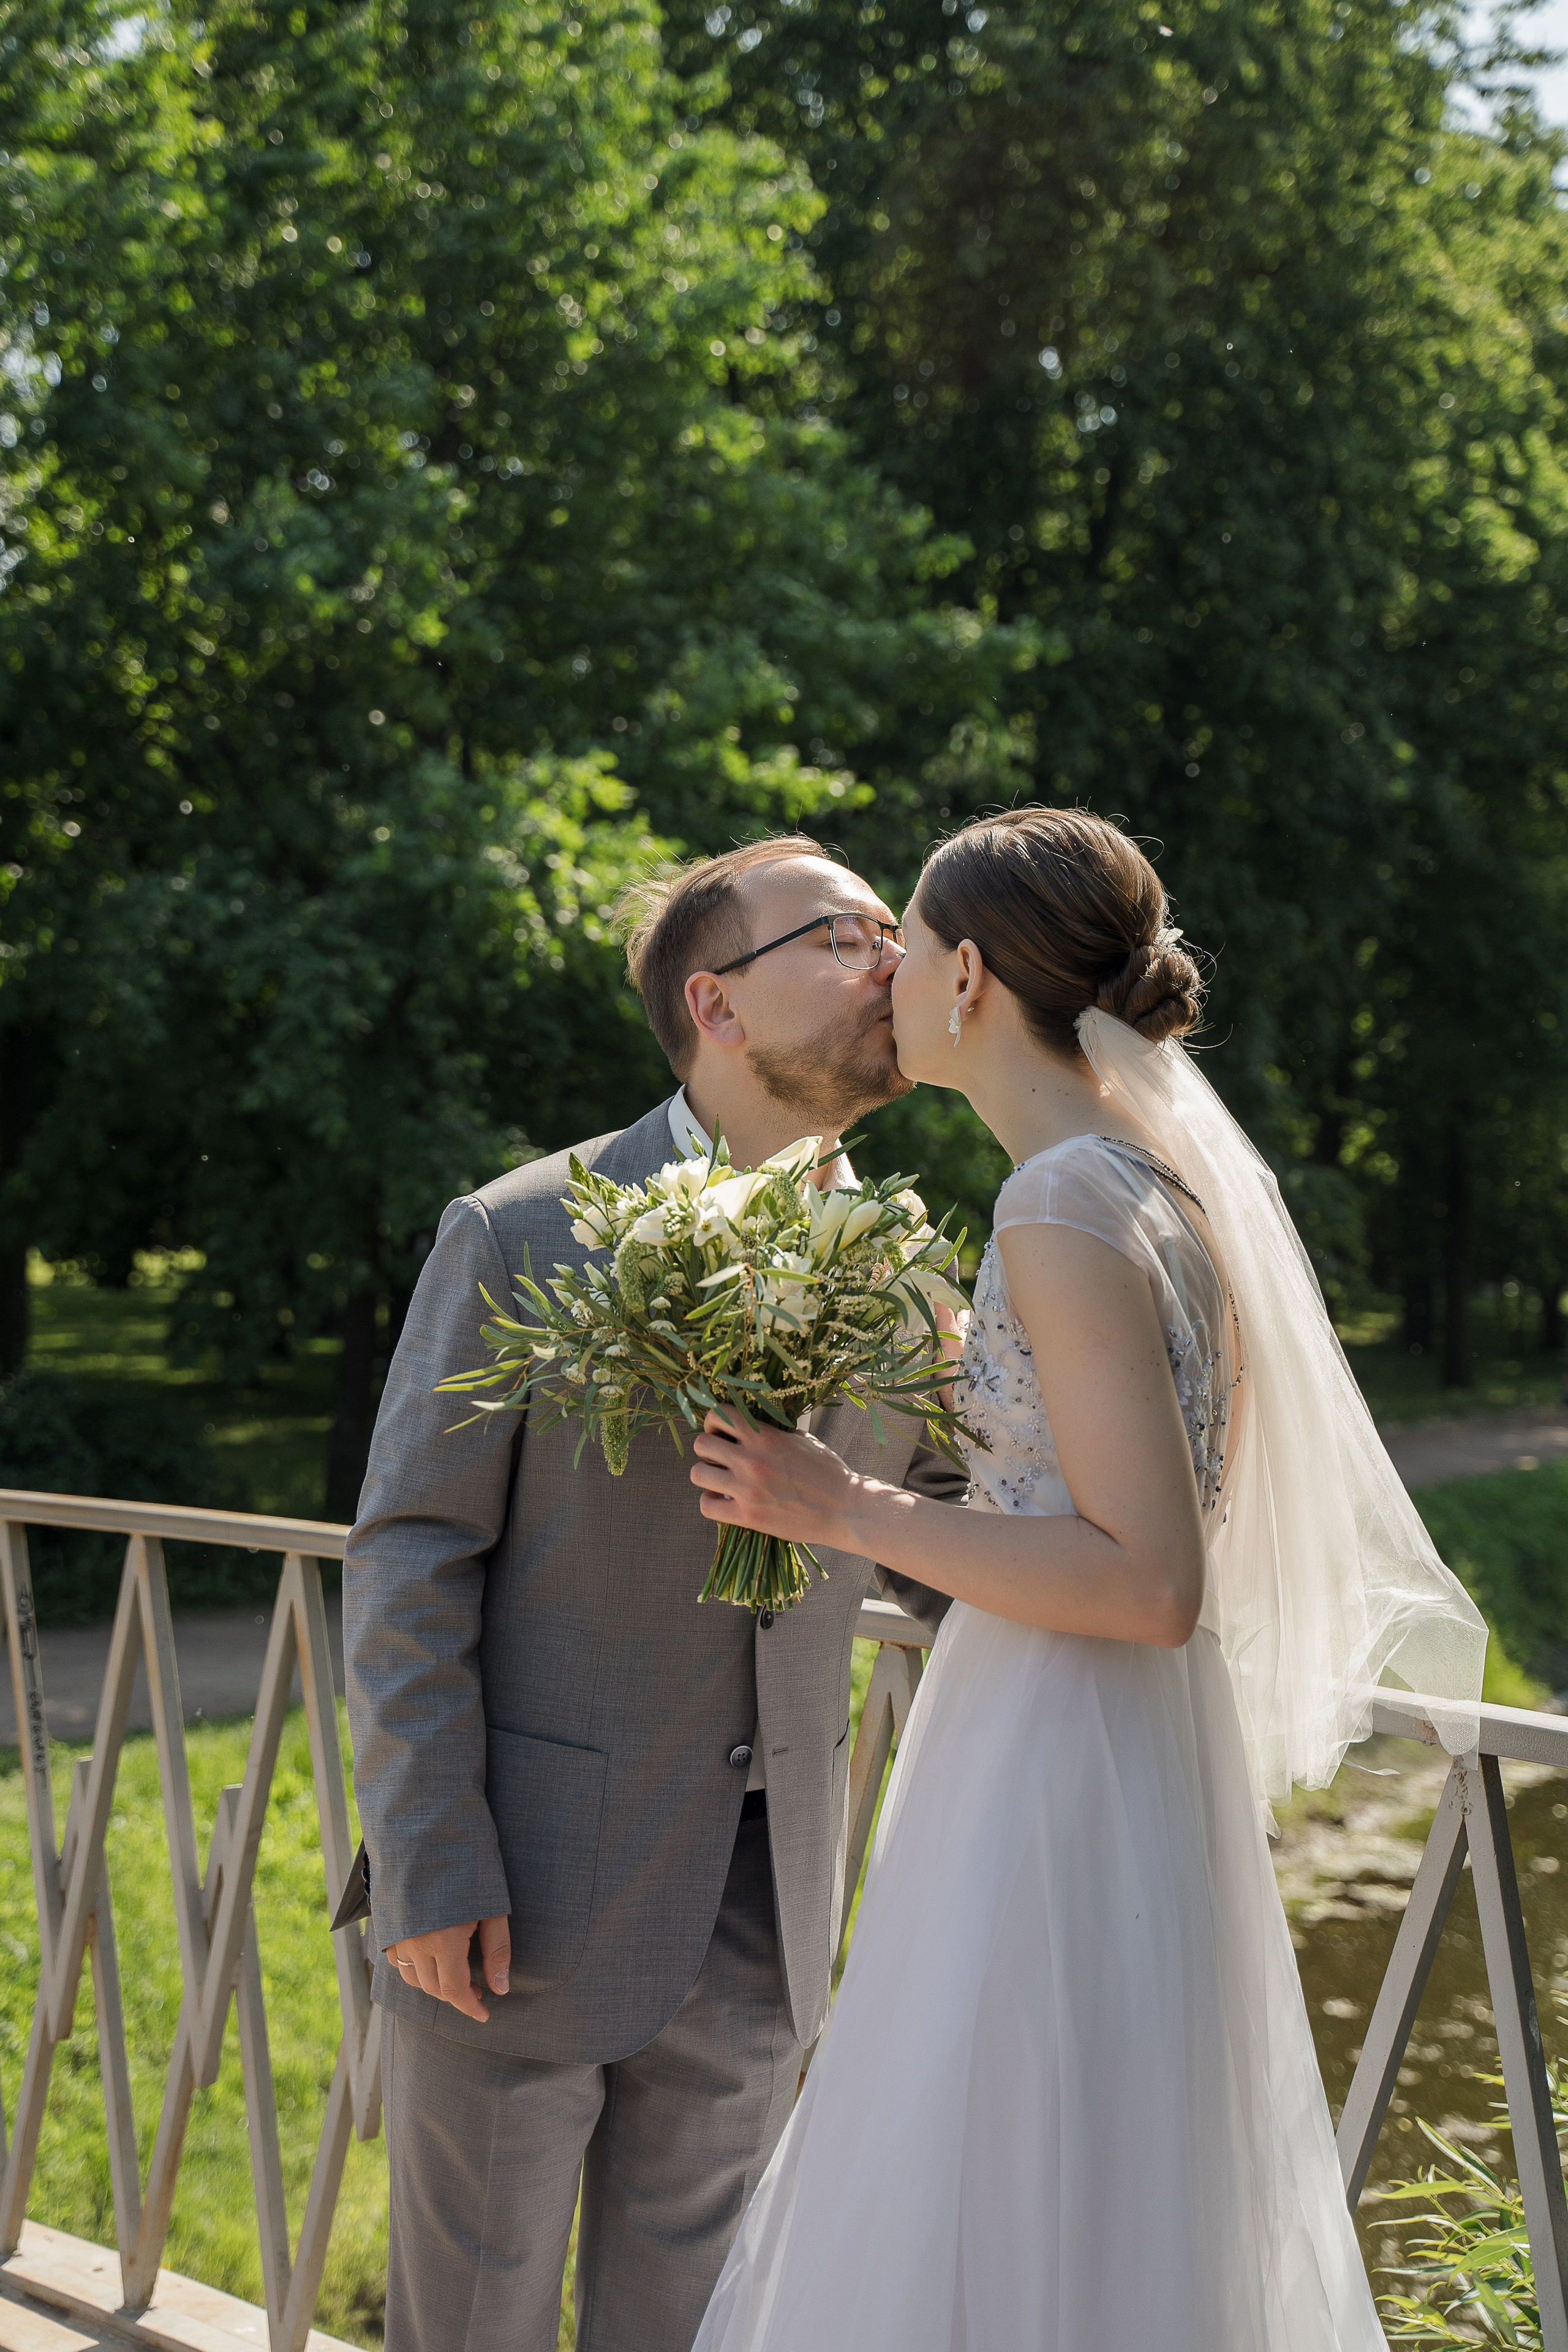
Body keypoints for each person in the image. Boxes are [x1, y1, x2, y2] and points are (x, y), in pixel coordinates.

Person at [687, 807, 1487, 2352]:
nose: (885, 980)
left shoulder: (1057, 1202)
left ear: (970, 975)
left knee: (992, 2166)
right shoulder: (1144, 1184)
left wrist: (835, 1503)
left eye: (903, 949)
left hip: (1055, 1739)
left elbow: (1144, 1579)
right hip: (1111, 1738)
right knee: (1096, 2182)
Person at [339, 833, 963, 2352]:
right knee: (467, 2324)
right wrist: (430, 1858)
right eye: (842, 934)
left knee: (688, 2328)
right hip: (516, 1906)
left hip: (767, 1899)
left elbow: (945, 1545)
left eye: (893, 929)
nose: (891, 957)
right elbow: (413, 1553)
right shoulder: (517, 1229)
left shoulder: (909, 1278)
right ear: (718, 1003)